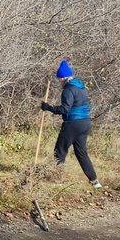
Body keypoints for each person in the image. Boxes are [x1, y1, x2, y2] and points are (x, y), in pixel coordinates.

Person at [40, 60, 102, 188]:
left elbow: (64, 109)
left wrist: (48, 107)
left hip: (73, 123)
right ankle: (94, 181)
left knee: (60, 151)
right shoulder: (81, 87)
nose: (59, 81)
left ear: (63, 78)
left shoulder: (68, 89)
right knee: (81, 152)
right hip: (85, 123)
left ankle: (57, 179)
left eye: (59, 79)